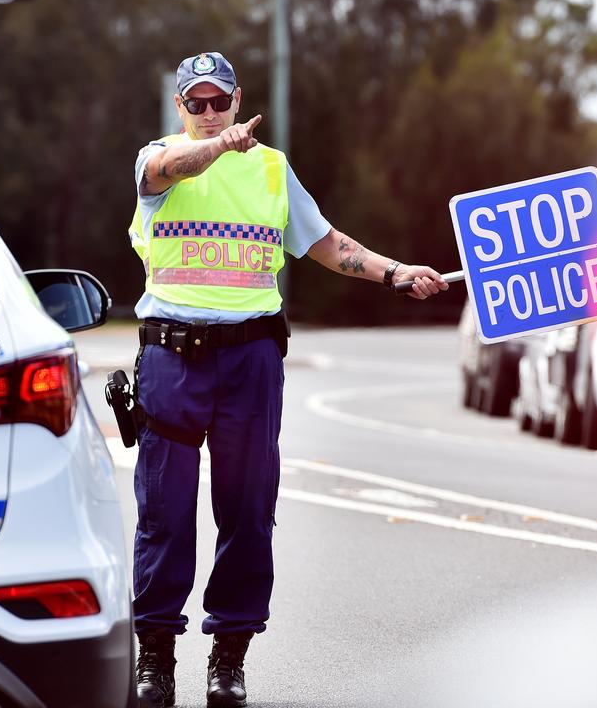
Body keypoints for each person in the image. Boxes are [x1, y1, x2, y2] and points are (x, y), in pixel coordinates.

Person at [129, 51, 446, 708]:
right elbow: (170, 169)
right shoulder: (157, 159)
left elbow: (328, 243)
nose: (211, 113)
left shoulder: (272, 170)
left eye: (221, 101)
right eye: (197, 102)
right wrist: (217, 146)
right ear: (180, 107)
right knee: (165, 513)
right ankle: (155, 656)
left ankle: (229, 656)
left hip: (250, 360)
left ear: (239, 99)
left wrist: (394, 272)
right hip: (172, 358)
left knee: (247, 512)